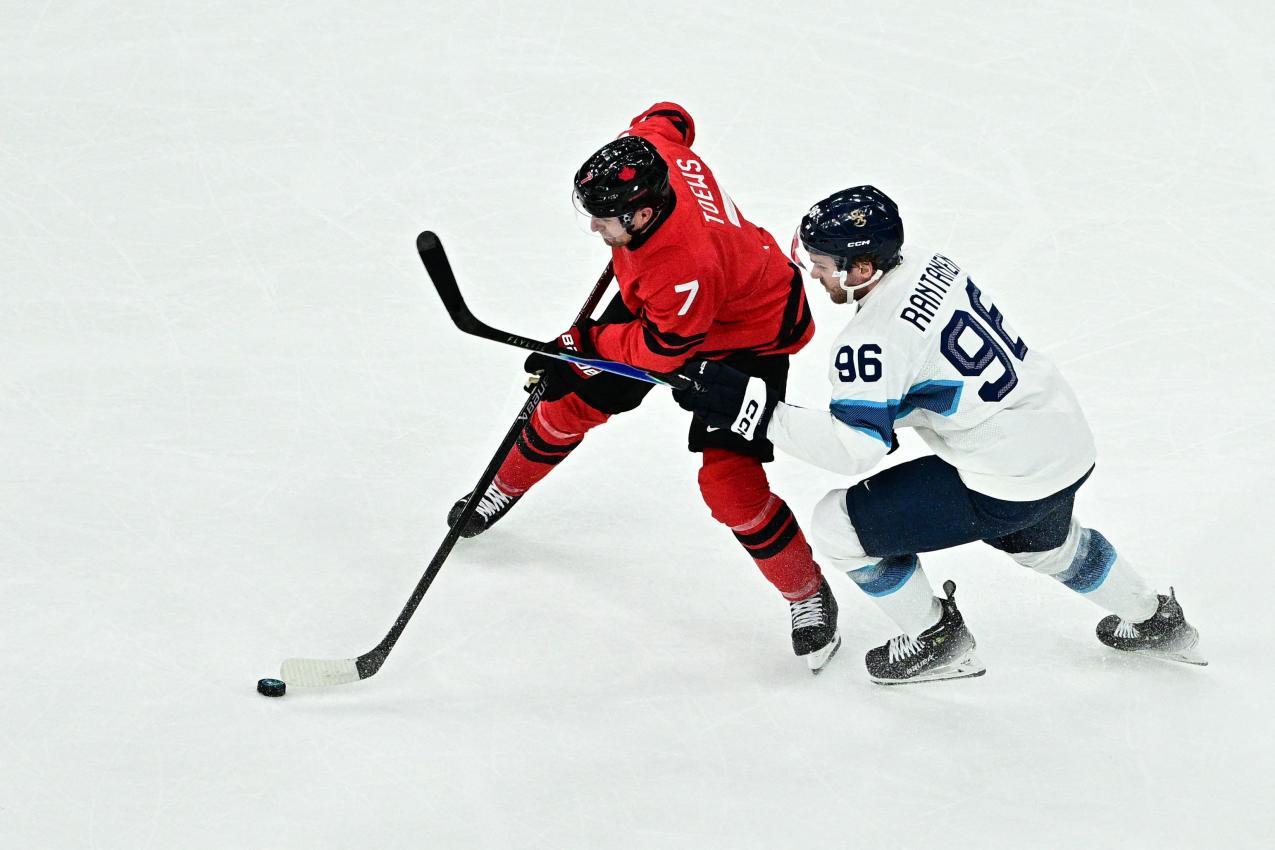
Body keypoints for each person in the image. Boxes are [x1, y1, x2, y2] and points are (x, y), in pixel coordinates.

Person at [673, 185, 1206, 684]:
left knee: (837, 526)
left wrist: (753, 409)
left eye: (822, 263)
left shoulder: (871, 341)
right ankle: (1157, 619)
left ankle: (936, 638)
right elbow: (925, 379)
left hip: (1007, 475)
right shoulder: (932, 264)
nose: (813, 272)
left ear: (861, 268)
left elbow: (854, 450)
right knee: (1045, 541)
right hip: (1061, 438)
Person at [448, 103, 841, 672]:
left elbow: (660, 351)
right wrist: (577, 357)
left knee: (728, 485)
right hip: (674, 305)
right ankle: (501, 488)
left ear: (645, 212)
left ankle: (806, 594)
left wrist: (579, 346)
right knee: (573, 399)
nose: (592, 227)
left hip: (746, 335)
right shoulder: (658, 153)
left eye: (605, 218)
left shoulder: (683, 268)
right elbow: (670, 117)